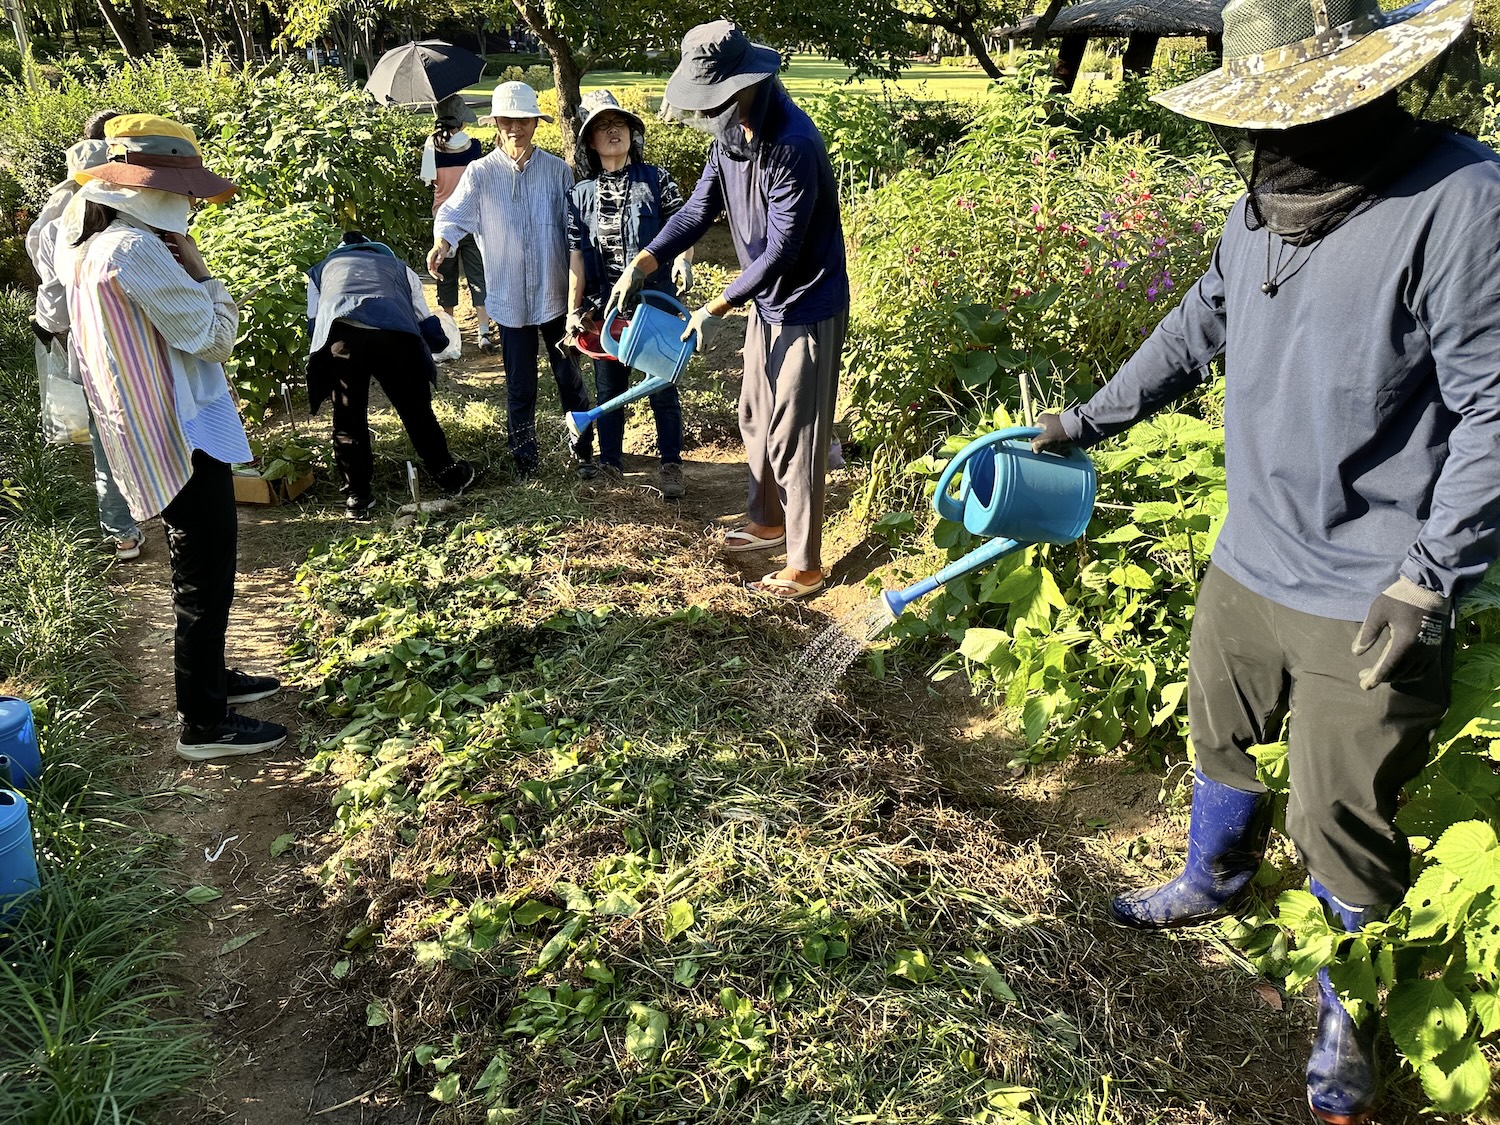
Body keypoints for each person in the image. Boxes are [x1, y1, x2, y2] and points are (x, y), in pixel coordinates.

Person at [1027, 0, 1498, 1119]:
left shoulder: (1459, 202)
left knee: (1342, 816)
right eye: (1256, 122)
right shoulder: (1266, 200)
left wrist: (1428, 573)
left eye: (1290, 116)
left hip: (1371, 579)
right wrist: (1091, 419)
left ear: (1363, 92)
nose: (1267, 143)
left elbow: (1494, 407)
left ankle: (1349, 1031)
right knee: (1218, 725)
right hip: (1253, 551)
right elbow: (1205, 317)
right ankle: (1212, 879)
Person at [56, 114, 288, 763]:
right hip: (177, 437)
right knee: (202, 578)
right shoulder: (134, 251)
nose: (190, 201)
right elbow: (215, 335)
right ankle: (203, 722)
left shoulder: (91, 249)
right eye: (181, 187)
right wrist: (207, 273)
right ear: (145, 187)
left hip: (150, 429)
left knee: (202, 572)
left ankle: (213, 684)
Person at [615, 21, 849, 599]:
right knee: (754, 416)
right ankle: (766, 521)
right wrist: (642, 263)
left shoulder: (792, 142)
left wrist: (715, 305)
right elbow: (698, 210)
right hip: (763, 304)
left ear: (745, 83)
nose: (708, 107)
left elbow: (782, 248)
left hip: (806, 303)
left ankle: (805, 561)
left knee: (797, 433)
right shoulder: (730, 134)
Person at [427, 81, 597, 480]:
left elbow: (577, 232)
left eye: (522, 120)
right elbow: (452, 216)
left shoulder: (558, 172)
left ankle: (585, 453)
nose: (515, 128)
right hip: (507, 299)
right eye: (507, 121)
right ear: (497, 124)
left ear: (535, 124)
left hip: (556, 294)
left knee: (569, 379)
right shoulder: (481, 174)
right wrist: (441, 244)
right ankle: (526, 464)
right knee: (520, 388)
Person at [26, 110, 145, 561]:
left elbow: (53, 296)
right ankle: (170, 516)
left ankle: (123, 532)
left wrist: (52, 329)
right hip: (143, 333)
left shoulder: (57, 215)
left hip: (92, 343)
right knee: (161, 419)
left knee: (107, 433)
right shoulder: (135, 201)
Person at [565, 90, 694, 498]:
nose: (612, 130)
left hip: (653, 304)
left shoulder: (656, 180)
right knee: (610, 390)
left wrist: (682, 260)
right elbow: (576, 260)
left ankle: (671, 464)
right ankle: (611, 465)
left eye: (618, 122)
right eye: (602, 126)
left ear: (631, 132)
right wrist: (573, 312)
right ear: (590, 141)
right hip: (606, 309)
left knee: (661, 384)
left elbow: (684, 227)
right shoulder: (579, 196)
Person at [306, 232, 477, 520]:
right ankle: (449, 476)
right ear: (376, 249)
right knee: (415, 408)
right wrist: (440, 344)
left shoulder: (321, 271)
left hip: (343, 336)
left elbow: (315, 325)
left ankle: (357, 496)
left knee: (348, 415)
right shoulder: (399, 267)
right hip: (395, 337)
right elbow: (424, 321)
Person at [420, 94, 495, 353]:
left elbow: (429, 182)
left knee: (445, 276)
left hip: (444, 221)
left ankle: (451, 334)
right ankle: (484, 332)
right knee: (478, 275)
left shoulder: (432, 146)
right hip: (474, 219)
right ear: (462, 122)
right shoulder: (474, 147)